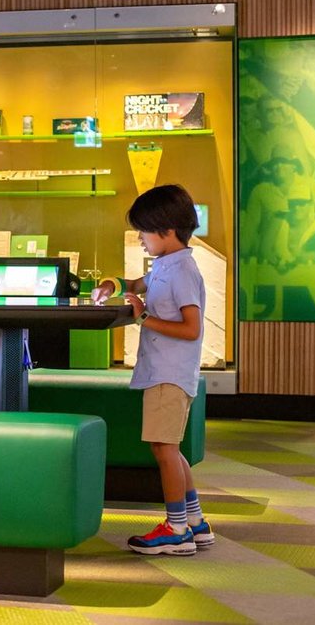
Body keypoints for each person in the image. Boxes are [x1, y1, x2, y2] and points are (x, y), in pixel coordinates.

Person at [91, 184, 214, 556]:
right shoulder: (166, 265)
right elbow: (135, 284)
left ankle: (175, 529)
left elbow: (192, 329)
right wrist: (113, 284)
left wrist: (143, 316)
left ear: (167, 231)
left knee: (164, 449)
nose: (141, 239)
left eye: (144, 231)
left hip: (169, 374)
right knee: (171, 450)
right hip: (164, 372)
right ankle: (195, 522)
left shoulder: (182, 272)